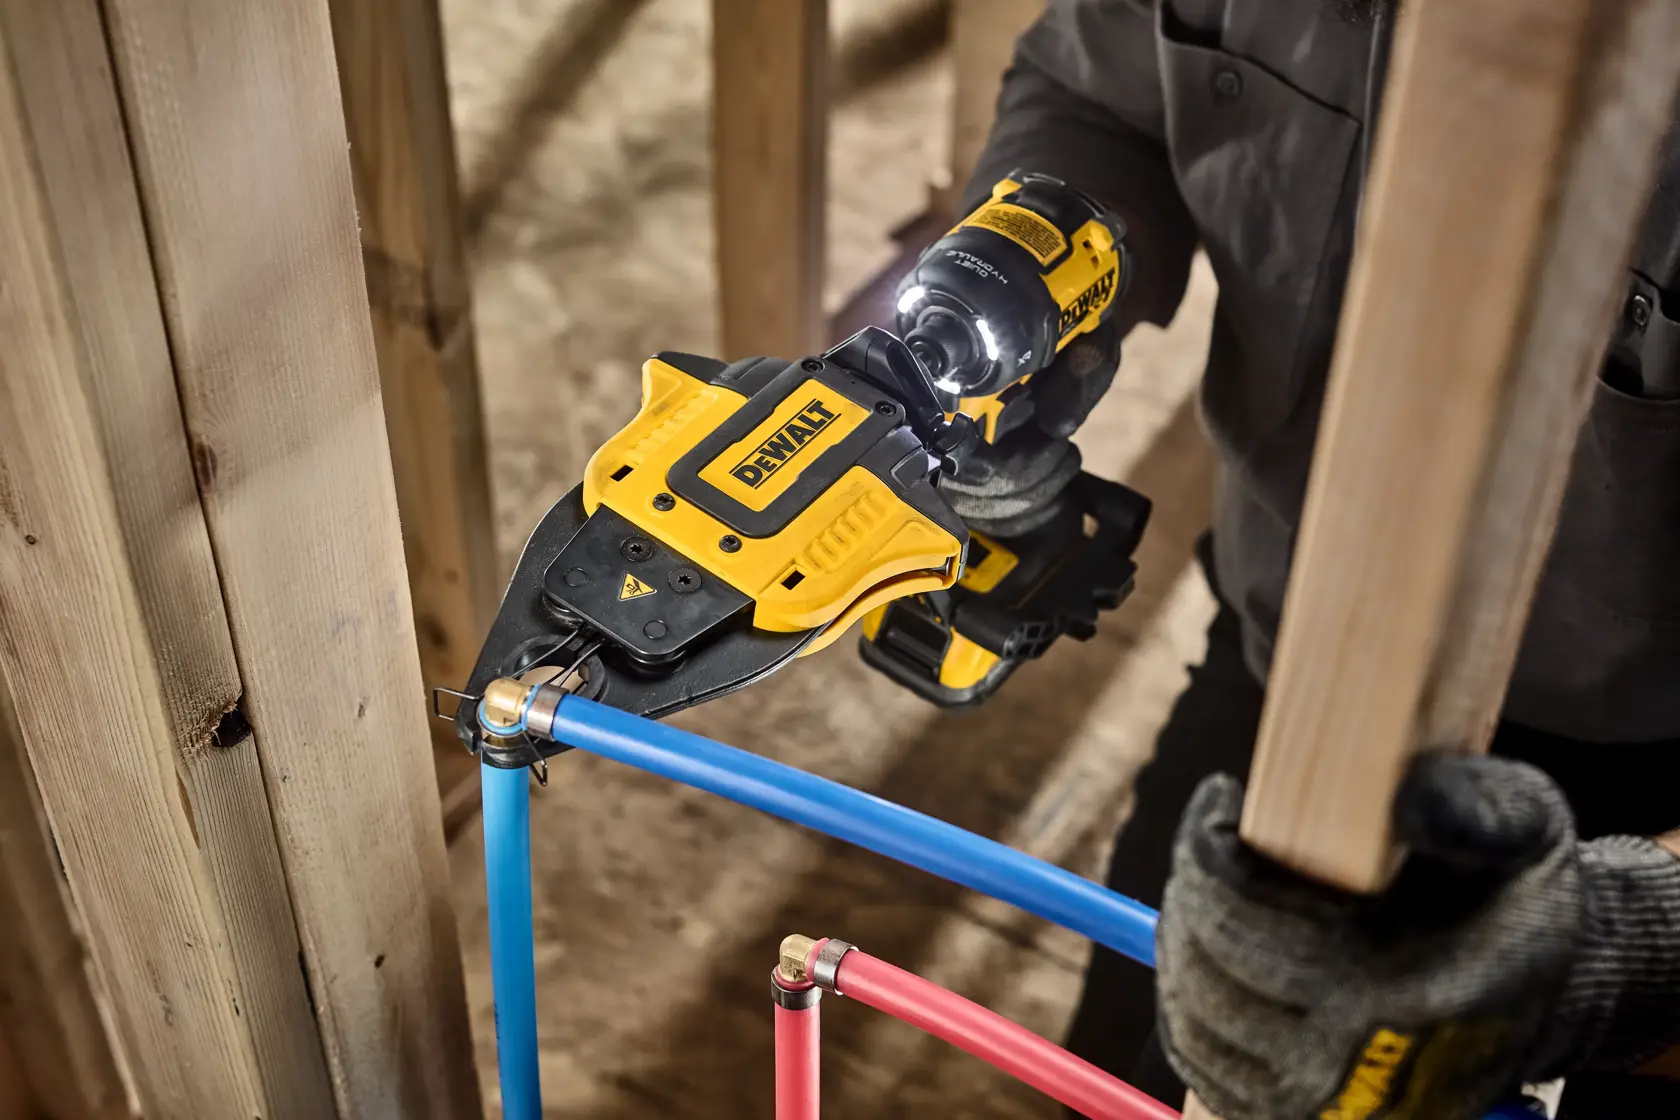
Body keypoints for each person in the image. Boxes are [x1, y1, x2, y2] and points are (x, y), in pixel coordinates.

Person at [938, 1, 1680, 1116]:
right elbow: (1095, 91)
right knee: (1122, 1078)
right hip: (1299, 645)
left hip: (1653, 768)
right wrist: (1022, 280)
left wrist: (1629, 951)